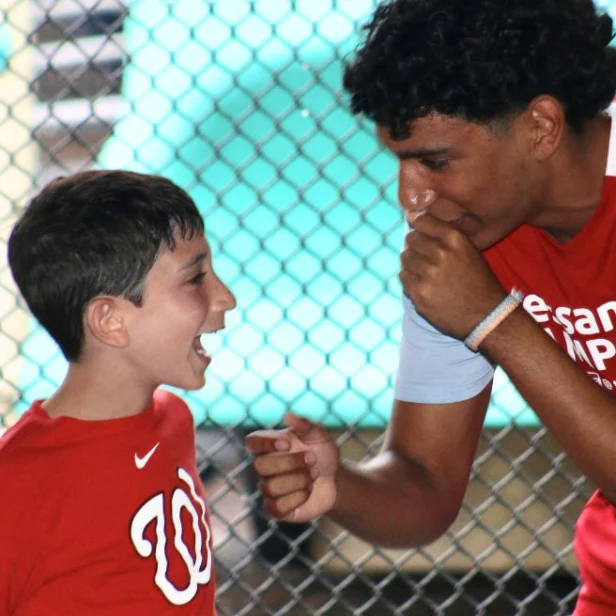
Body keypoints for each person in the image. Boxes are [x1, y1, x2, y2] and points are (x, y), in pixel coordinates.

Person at [245, 0, 616, 613]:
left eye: (436, 162)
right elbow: (424, 487)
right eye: (401, 161)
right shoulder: (468, 242)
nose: (412, 198)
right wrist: (339, 487)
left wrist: (498, 324)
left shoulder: (477, 287)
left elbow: (493, 322)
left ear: (541, 128)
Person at [2, 170, 236, 615]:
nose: (225, 297)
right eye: (195, 278)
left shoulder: (173, 421)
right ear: (110, 321)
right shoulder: (18, 484)